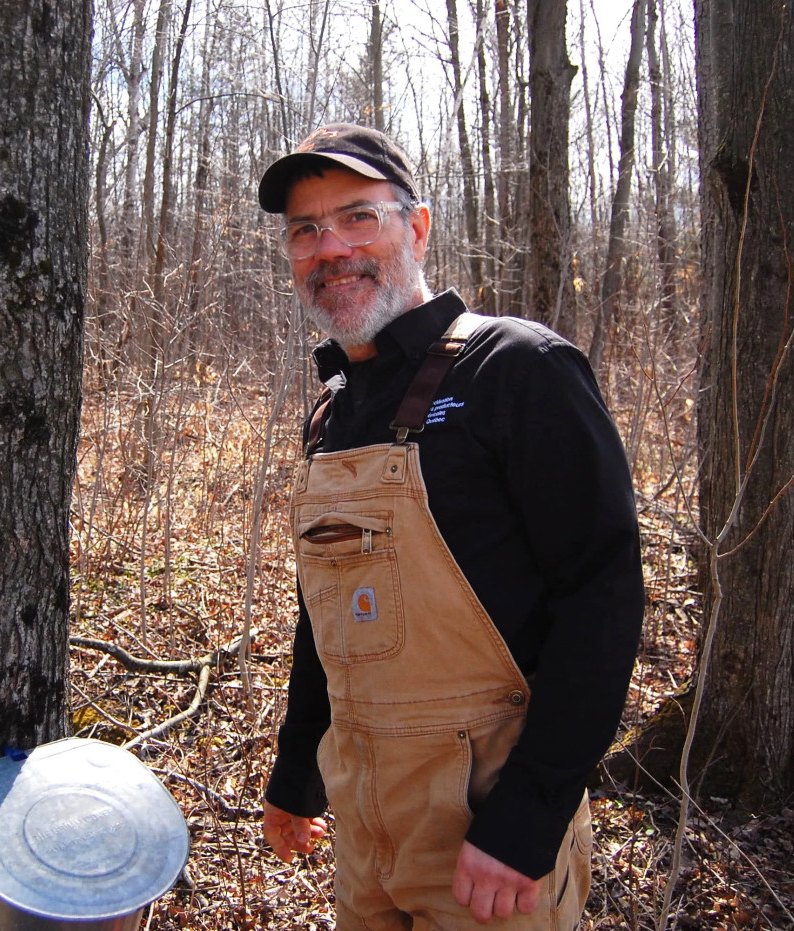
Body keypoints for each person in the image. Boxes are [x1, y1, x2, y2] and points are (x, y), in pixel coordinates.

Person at [257, 123, 644, 930]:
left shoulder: (518, 370)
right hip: (364, 831)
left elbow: (602, 597)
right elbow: (324, 616)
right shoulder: (333, 412)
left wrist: (528, 820)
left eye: (358, 216)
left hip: (486, 846)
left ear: (417, 227)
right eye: (305, 230)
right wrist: (298, 774)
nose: (331, 247)